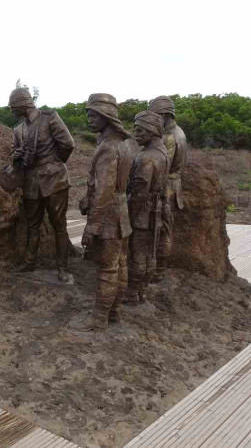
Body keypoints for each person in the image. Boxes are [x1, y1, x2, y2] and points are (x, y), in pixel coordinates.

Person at [78, 93, 135, 330]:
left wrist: (92, 226)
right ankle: (115, 314)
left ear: (106, 117)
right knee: (120, 264)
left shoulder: (108, 149)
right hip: (122, 213)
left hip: (109, 216)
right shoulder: (124, 144)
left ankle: (99, 320)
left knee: (108, 268)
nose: (90, 119)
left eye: (94, 115)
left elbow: (104, 191)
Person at [9, 87, 75, 282]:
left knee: (59, 226)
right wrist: (17, 156)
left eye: (13, 107)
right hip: (31, 182)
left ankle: (62, 268)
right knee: (32, 226)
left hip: (55, 180)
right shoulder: (18, 129)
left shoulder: (50, 117)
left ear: (22, 104)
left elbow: (67, 144)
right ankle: (29, 262)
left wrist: (54, 163)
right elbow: (13, 153)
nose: (11, 111)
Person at [126, 110, 169, 304]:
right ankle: (142, 291)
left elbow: (139, 193)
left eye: (139, 130)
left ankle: (133, 293)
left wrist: (128, 214)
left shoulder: (147, 158)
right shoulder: (163, 153)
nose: (135, 134)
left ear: (152, 131)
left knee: (138, 254)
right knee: (150, 253)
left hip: (143, 214)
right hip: (156, 211)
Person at [148, 96, 188, 282]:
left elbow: (162, 167)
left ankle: (159, 271)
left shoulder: (170, 137)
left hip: (166, 188)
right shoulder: (177, 132)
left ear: (164, 114)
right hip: (172, 186)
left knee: (162, 229)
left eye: (155, 116)